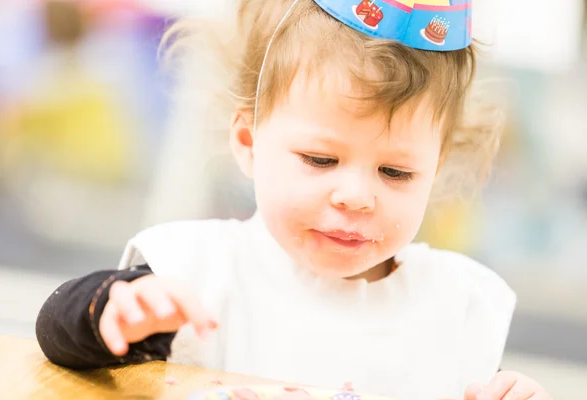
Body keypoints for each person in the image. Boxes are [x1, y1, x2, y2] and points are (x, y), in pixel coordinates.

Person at [36, 1, 552, 399]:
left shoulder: (454, 305)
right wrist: (110, 306)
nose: (355, 197)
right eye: (320, 160)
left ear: (434, 173)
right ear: (249, 144)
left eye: (395, 172)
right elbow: (57, 337)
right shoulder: (200, 272)